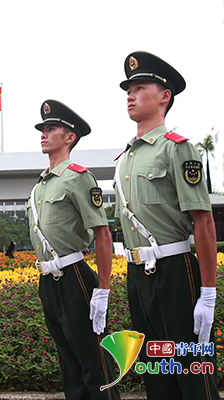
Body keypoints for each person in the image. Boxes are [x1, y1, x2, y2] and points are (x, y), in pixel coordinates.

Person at [115, 51, 219, 399]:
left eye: (139, 87)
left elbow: (203, 223)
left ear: (164, 96)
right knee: (156, 371)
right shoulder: (125, 157)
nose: (130, 94)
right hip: (137, 275)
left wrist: (208, 293)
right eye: (128, 89)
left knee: (191, 369)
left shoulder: (178, 150)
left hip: (175, 271)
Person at [27, 100, 120, 400]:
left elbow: (102, 235)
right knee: (69, 365)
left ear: (69, 137)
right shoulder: (39, 187)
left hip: (75, 278)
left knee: (95, 364)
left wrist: (102, 291)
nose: (43, 133)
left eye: (51, 128)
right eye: (42, 128)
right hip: (48, 282)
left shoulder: (79, 177)